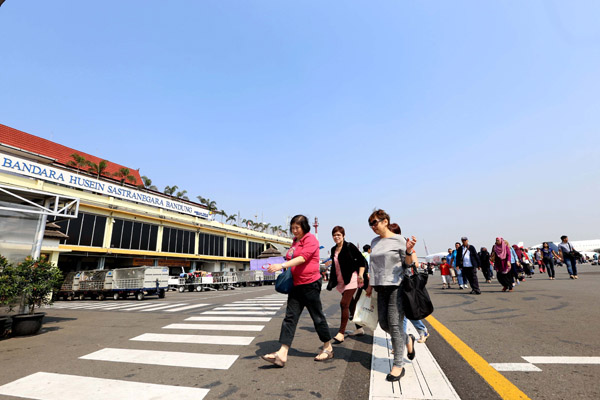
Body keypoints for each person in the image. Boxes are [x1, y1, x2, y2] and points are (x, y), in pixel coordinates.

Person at [262, 215, 333, 367]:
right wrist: (276, 264)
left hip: (310, 284)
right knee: (290, 317)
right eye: (292, 228)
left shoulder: (311, 239)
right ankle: (282, 353)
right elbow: (290, 257)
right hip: (296, 284)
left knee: (317, 317)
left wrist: (281, 266)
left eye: (297, 228)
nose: (294, 231)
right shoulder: (295, 241)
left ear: (305, 227)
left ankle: (328, 347)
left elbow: (302, 258)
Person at [365, 209, 417, 382]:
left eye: (375, 222)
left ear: (385, 221)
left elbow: (408, 264)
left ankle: (398, 365)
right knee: (384, 324)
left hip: (396, 285)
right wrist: (370, 285)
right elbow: (374, 266)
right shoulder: (374, 242)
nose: (373, 226)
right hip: (380, 287)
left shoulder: (399, 240)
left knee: (394, 325)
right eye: (370, 224)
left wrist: (408, 251)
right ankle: (408, 339)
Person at [326, 226, 367, 342]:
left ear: (343, 235)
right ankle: (359, 329)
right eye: (334, 235)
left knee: (344, 304)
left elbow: (361, 260)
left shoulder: (350, 246)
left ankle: (341, 332)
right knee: (351, 303)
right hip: (341, 280)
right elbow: (335, 265)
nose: (336, 237)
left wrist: (360, 275)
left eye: (338, 235)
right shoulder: (334, 249)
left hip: (352, 279)